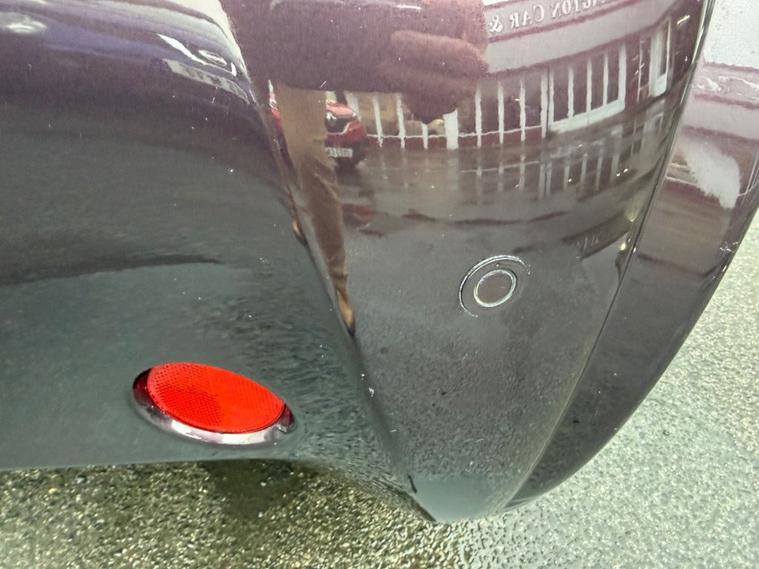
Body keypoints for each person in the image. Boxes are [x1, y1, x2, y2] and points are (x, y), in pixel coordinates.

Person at [223, 0, 488, 333]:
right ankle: (289, 219)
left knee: (307, 153)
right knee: (254, 139)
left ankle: (338, 282)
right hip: (234, 34)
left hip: (294, 39)